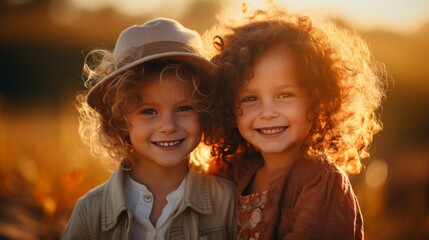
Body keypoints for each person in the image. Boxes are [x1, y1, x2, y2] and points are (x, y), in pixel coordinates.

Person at [205, 4, 387, 239]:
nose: (267, 112)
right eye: (250, 98)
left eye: (284, 95)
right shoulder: (233, 172)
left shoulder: (320, 181)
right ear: (229, 107)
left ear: (318, 99)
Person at [61, 18, 235, 240]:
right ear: (119, 119)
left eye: (183, 108)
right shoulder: (90, 213)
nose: (168, 126)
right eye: (149, 111)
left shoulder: (227, 202)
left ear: (205, 112)